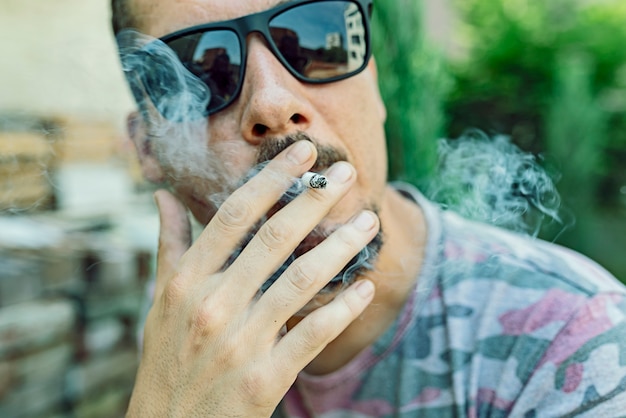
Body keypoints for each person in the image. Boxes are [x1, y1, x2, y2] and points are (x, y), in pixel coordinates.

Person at [110, 0, 626, 416]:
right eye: (199, 68)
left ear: (373, 83)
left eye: (315, 37)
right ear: (149, 148)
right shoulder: (189, 315)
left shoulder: (574, 339)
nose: (272, 104)